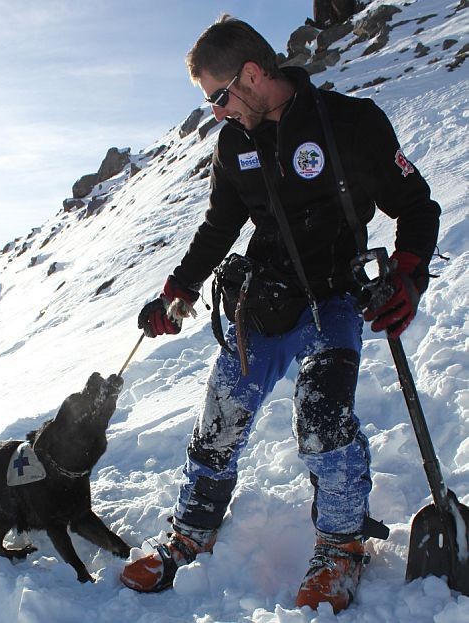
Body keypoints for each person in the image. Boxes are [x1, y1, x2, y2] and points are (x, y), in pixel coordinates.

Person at [120, 15, 440, 613]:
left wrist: (409, 272)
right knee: (219, 421)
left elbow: (417, 205)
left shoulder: (350, 123)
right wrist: (177, 289)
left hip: (335, 297)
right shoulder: (234, 141)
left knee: (323, 424)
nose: (216, 113)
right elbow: (221, 223)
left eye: (218, 96)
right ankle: (191, 529)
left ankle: (341, 545)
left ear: (251, 74)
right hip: (262, 301)